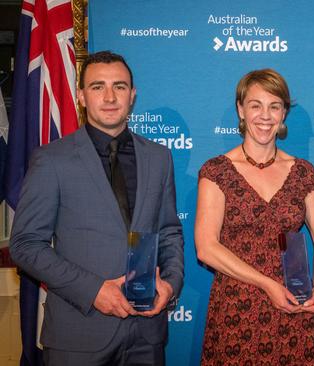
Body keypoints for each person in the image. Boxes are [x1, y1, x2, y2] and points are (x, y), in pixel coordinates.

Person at [9, 50, 184, 365]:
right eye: (97, 86)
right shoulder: (51, 159)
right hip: (79, 334)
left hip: (147, 335)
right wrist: (93, 291)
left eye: (119, 86)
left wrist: (169, 284)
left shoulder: (159, 157)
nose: (109, 96)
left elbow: (169, 230)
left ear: (132, 95)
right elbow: (24, 244)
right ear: (81, 96)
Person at [195, 68, 314, 365]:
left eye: (274, 106)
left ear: (284, 114)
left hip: (295, 308)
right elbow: (206, 247)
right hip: (236, 310)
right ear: (241, 110)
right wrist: (267, 284)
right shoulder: (216, 171)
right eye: (256, 105)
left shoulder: (303, 173)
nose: (265, 116)